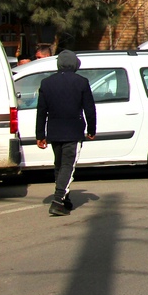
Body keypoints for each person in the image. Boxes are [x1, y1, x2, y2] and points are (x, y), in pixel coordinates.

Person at [35, 50, 96, 215]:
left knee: (59, 165)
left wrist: (40, 135)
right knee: (68, 166)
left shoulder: (46, 83)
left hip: (54, 131)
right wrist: (91, 129)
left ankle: (65, 198)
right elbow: (89, 109)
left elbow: (41, 111)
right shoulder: (81, 82)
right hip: (74, 131)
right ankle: (58, 199)